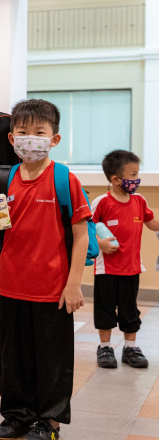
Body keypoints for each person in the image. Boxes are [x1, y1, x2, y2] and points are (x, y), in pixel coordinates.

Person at [0, 99, 91, 440]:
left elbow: (79, 235)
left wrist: (73, 284)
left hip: (52, 288)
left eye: (39, 133)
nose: (30, 139)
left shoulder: (64, 179)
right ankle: (17, 415)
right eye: (23, 132)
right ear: (12, 138)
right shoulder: (4, 178)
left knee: (52, 359)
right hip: (11, 285)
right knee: (13, 357)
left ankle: (50, 421)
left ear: (54, 139)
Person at [92, 150, 159, 369]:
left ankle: (130, 348)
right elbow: (87, 229)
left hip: (132, 269)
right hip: (107, 270)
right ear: (116, 179)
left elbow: (151, 223)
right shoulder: (102, 202)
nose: (137, 179)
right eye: (133, 174)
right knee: (105, 310)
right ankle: (105, 347)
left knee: (130, 311)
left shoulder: (139, 200)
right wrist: (100, 244)